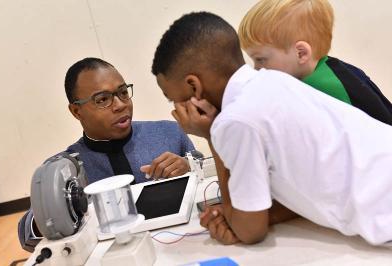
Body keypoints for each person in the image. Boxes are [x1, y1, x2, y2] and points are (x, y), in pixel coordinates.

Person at [151, 11, 392, 246]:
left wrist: (212, 136)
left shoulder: (236, 120)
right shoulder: (272, 80)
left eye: (173, 99)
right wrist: (244, 216)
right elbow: (304, 183)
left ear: (194, 87)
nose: (175, 110)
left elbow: (250, 232)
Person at [19, 57, 196, 252]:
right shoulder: (63, 170)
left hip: (179, 249)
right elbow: (26, 236)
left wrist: (189, 168)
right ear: (76, 111)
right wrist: (58, 207)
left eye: (123, 92)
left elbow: (210, 184)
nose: (120, 105)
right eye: (102, 99)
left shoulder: (170, 134)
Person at [238, 0, 392, 125]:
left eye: (260, 59)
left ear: (301, 53)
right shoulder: (331, 67)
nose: (257, 68)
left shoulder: (319, 90)